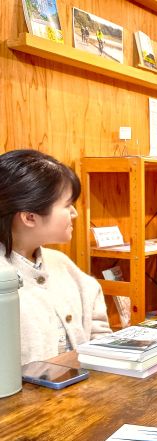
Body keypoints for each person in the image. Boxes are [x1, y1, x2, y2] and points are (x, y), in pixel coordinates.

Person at [0, 149, 111, 365]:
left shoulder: (60, 262)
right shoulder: (4, 279)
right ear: (29, 217)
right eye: (67, 205)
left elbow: (98, 330)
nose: (75, 213)